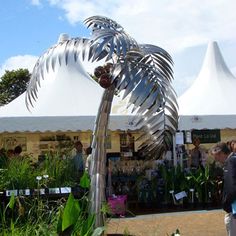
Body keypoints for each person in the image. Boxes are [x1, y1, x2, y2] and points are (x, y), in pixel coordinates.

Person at [211, 142, 236, 235]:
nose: (215, 159)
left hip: (233, 210)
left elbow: (232, 187)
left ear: (220, 153)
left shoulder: (231, 162)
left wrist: (226, 203)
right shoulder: (234, 159)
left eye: (215, 156)